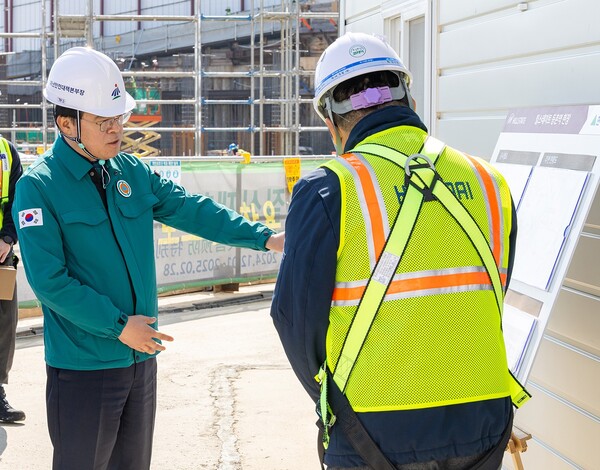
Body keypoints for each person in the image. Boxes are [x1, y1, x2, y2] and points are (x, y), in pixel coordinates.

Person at [13, 46, 283, 470]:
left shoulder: (128, 171)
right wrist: (120, 327)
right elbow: (50, 282)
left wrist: (266, 238)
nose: (118, 128)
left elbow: (190, 208)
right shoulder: (38, 187)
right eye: (104, 121)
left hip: (140, 362)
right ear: (67, 123)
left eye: (119, 117)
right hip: (85, 368)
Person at [271, 32, 530, 470]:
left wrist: (329, 403)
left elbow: (294, 320)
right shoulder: (490, 181)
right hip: (485, 420)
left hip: (373, 426)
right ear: (407, 96)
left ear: (330, 119)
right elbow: (491, 291)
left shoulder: (328, 188)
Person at [0, 136, 25, 424]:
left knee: (5, 322)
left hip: (0, 253)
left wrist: (7, 238)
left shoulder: (7, 151)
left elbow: (18, 201)